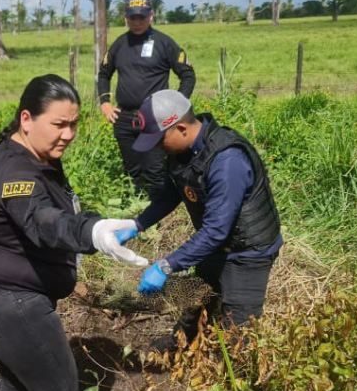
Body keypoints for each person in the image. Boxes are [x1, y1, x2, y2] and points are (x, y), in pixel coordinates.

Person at [0, 74, 148, 391]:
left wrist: (88, 224)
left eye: (74, 123)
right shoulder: (15, 171)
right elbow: (41, 221)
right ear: (26, 119)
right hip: (8, 302)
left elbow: (56, 210)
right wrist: (91, 233)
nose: (68, 134)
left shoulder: (37, 155)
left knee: (17, 385)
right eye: (59, 124)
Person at [121, 90, 282, 351]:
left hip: (247, 252)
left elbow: (217, 230)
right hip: (216, 246)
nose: (157, 148)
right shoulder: (182, 152)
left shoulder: (227, 161)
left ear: (181, 128)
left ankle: (230, 383)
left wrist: (165, 265)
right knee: (197, 298)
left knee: (238, 332)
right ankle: (181, 345)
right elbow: (168, 195)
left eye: (159, 140)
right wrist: (137, 225)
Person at [97, 0, 196, 199]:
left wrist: (176, 107)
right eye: (133, 18)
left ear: (151, 15)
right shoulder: (119, 44)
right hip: (123, 118)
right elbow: (104, 73)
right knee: (131, 173)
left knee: (155, 172)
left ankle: (158, 216)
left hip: (155, 119)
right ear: (126, 18)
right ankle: (133, 213)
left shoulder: (164, 43)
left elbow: (187, 75)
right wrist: (104, 103)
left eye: (141, 17)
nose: (137, 22)